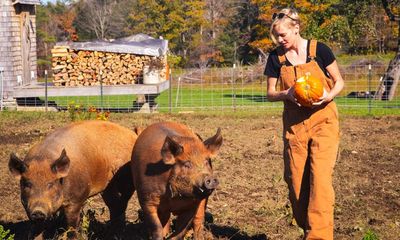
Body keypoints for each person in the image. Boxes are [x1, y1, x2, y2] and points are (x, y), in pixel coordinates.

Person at [264, 8, 344, 240]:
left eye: (283, 35)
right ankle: (308, 225)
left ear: (296, 29)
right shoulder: (275, 58)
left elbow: (339, 82)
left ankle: (318, 236)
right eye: (276, 36)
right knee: (296, 183)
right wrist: (286, 94)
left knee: (320, 180)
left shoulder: (320, 50)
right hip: (295, 125)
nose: (280, 40)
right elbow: (270, 93)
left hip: (324, 120)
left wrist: (329, 96)